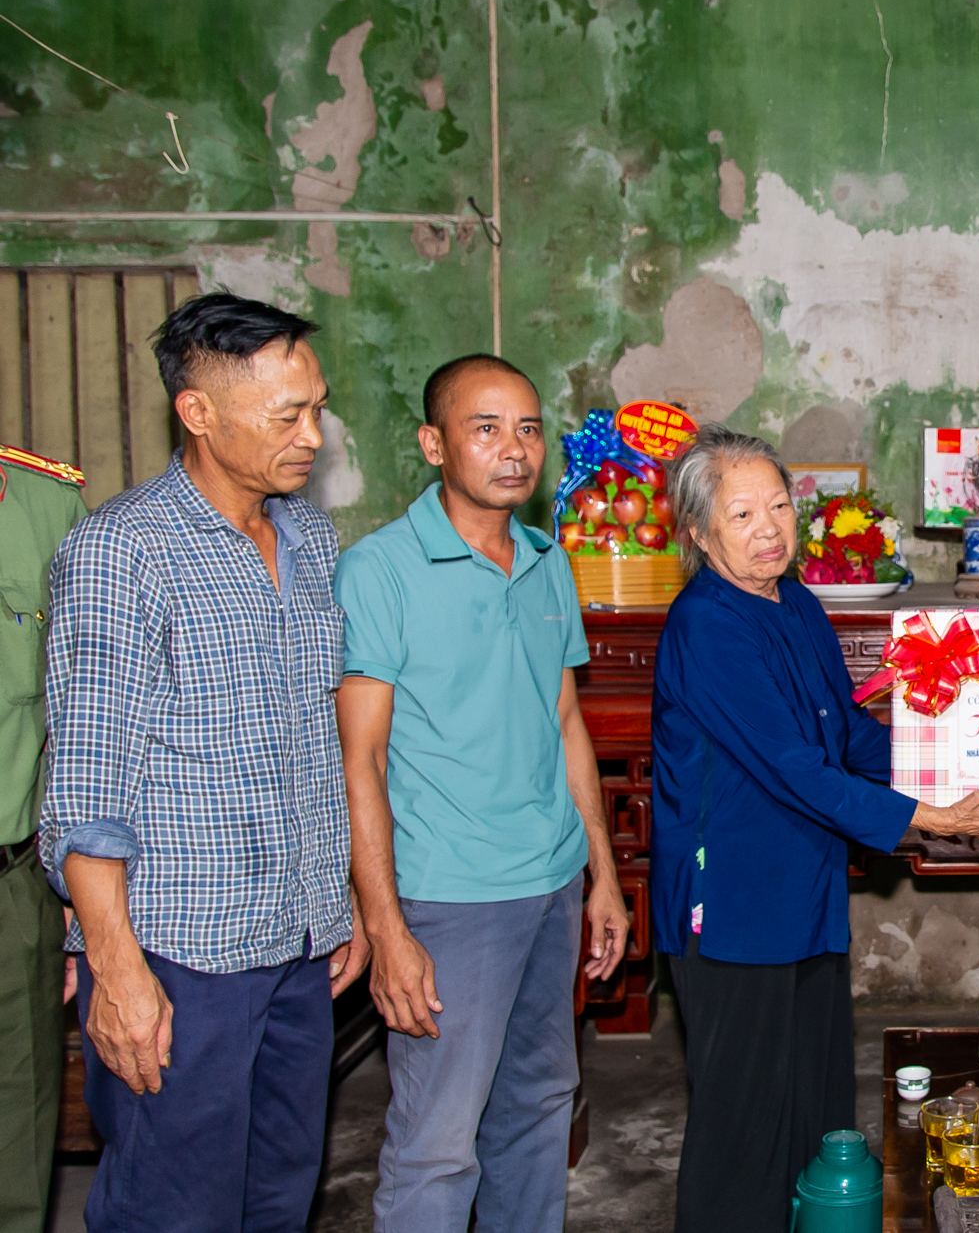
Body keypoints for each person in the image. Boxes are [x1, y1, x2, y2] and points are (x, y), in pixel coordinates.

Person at [651, 425, 979, 1231]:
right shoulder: (707, 625)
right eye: (741, 515)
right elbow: (794, 768)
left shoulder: (792, 601)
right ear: (697, 532)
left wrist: (959, 762)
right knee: (741, 1127)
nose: (770, 530)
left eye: (780, 507)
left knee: (814, 1106)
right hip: (732, 908)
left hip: (805, 890)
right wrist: (932, 819)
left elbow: (845, 735)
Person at [37, 292, 366, 1229]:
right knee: (171, 1209)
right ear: (199, 412)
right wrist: (111, 962)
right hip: (179, 960)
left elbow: (313, 738)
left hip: (296, 948)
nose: (312, 434)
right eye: (287, 416)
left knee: (276, 1196)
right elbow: (86, 789)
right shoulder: (122, 550)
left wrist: (333, 905)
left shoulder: (307, 537)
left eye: (317, 407)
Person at [334, 355, 630, 1232]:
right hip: (449, 896)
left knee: (539, 1107)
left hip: (548, 885)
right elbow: (360, 759)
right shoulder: (379, 570)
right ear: (434, 443)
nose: (514, 450)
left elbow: (566, 723)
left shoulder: (547, 562)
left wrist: (600, 877)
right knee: (436, 1142)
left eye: (529, 429)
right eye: (485, 428)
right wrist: (385, 928)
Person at [0, 442, 86, 1233]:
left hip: (12, 877)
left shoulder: (44, 507)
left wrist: (69, 891)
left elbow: (77, 722)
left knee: (17, 1126)